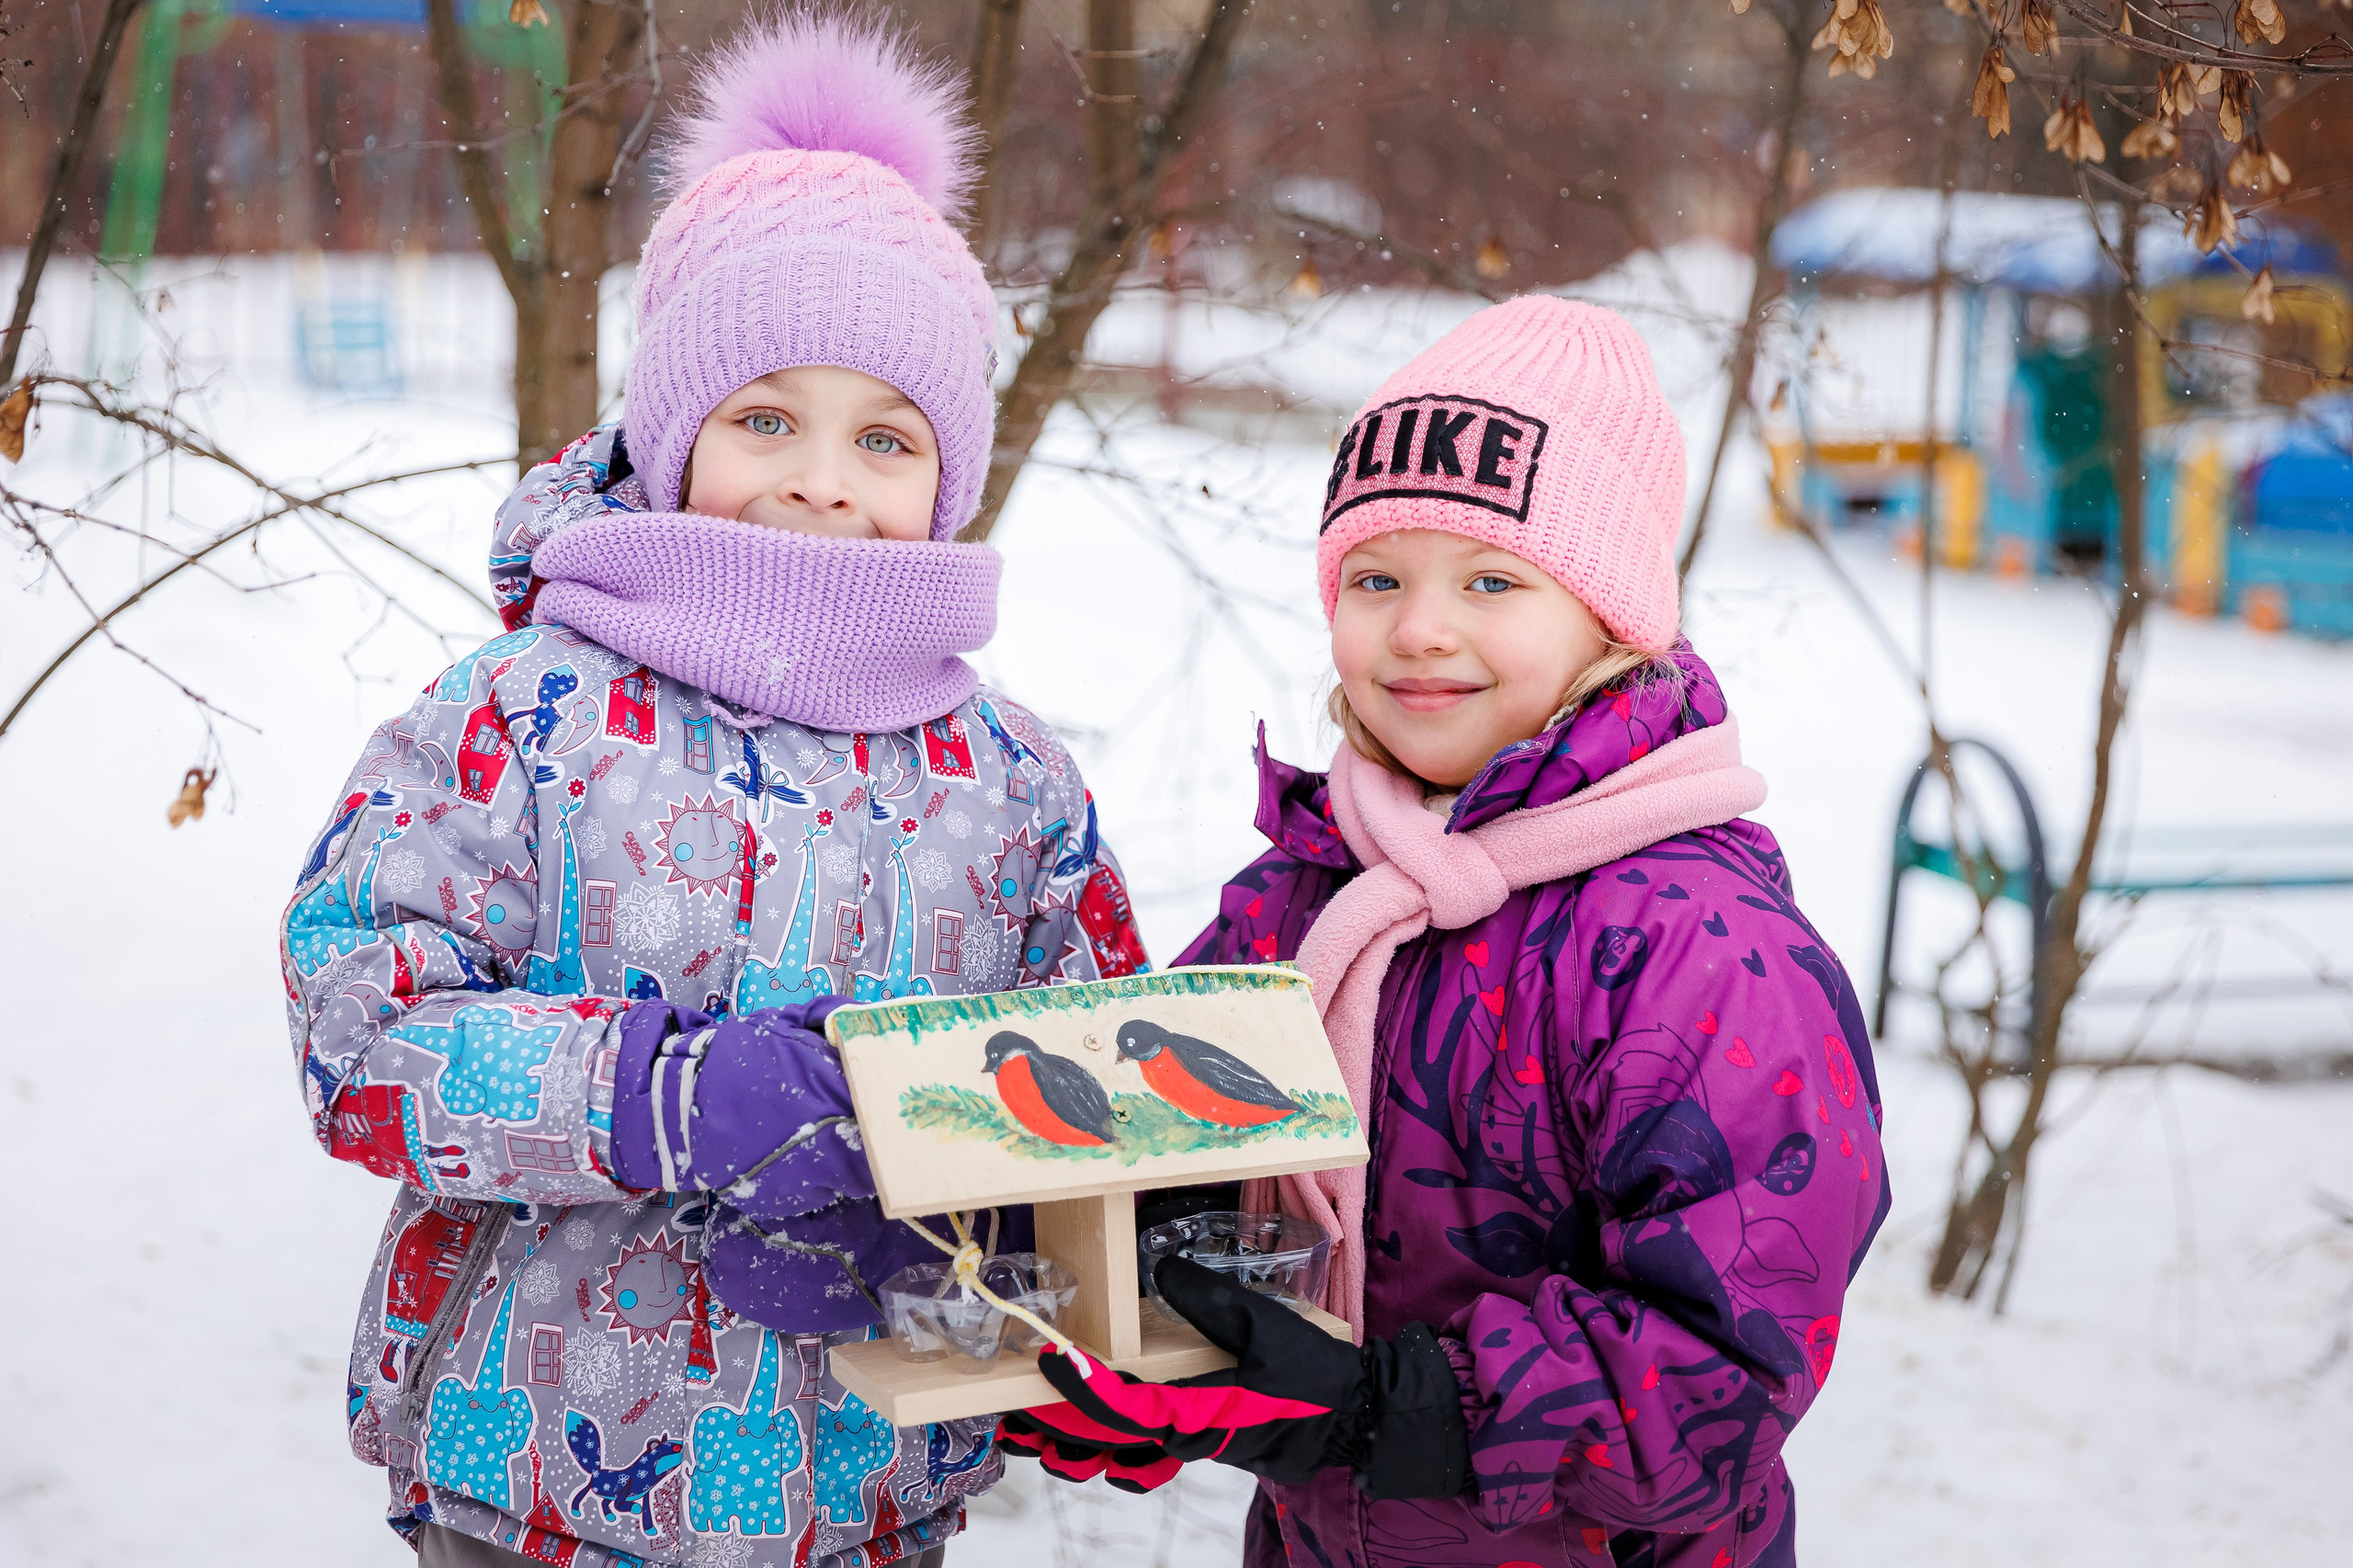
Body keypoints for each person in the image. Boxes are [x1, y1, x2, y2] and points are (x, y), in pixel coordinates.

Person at [282, 14, 1149, 1566]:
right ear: (672, 435)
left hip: (871, 1504)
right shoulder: (531, 712)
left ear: (945, 481)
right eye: (766, 419)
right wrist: (648, 1094)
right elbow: (356, 1027)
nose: (824, 478)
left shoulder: (1015, 786)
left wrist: (957, 1231)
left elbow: (1091, 1111)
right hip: (526, 1482)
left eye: (886, 437)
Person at [999, 297, 1891, 1567]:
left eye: (1491, 579)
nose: (1420, 626)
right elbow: (1169, 1166)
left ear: (1613, 617)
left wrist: (1370, 1407)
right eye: (1377, 578)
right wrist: (1152, 1345)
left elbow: (1724, 1362)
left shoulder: (1701, 947)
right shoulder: (1305, 896)